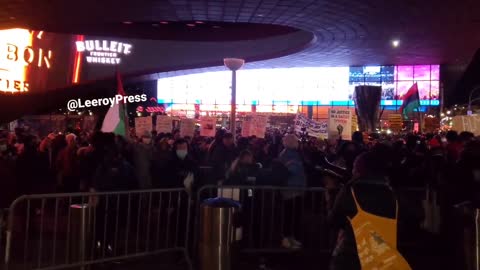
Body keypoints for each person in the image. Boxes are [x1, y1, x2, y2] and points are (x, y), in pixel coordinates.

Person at [328, 150, 397, 270]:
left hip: (353, 251)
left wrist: (330, 197)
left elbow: (334, 220)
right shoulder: (391, 193)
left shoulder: (351, 191)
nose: (353, 170)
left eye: (355, 167)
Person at [278, 134, 306, 249]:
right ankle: (287, 238)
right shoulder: (290, 155)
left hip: (294, 187)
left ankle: (290, 238)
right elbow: (293, 170)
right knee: (290, 214)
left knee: (292, 214)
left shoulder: (288, 154)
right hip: (292, 187)